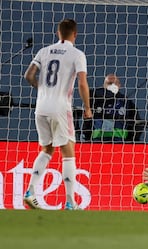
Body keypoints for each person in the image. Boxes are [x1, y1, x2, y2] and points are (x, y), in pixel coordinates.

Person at [23, 19, 92, 210]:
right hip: (60, 108)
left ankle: (30, 191)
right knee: (68, 153)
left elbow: (28, 75)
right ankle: (70, 201)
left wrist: (42, 89)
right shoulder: (77, 54)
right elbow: (82, 83)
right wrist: (87, 107)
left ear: (57, 32)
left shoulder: (44, 51)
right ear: (75, 34)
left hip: (41, 107)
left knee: (46, 150)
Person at [81, 74, 142, 143]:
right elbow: (87, 121)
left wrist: (130, 142)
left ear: (119, 85)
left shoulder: (127, 103)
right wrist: (87, 140)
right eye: (109, 83)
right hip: (97, 142)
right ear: (104, 85)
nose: (112, 85)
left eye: (115, 83)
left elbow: (137, 123)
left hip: (119, 143)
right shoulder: (94, 101)